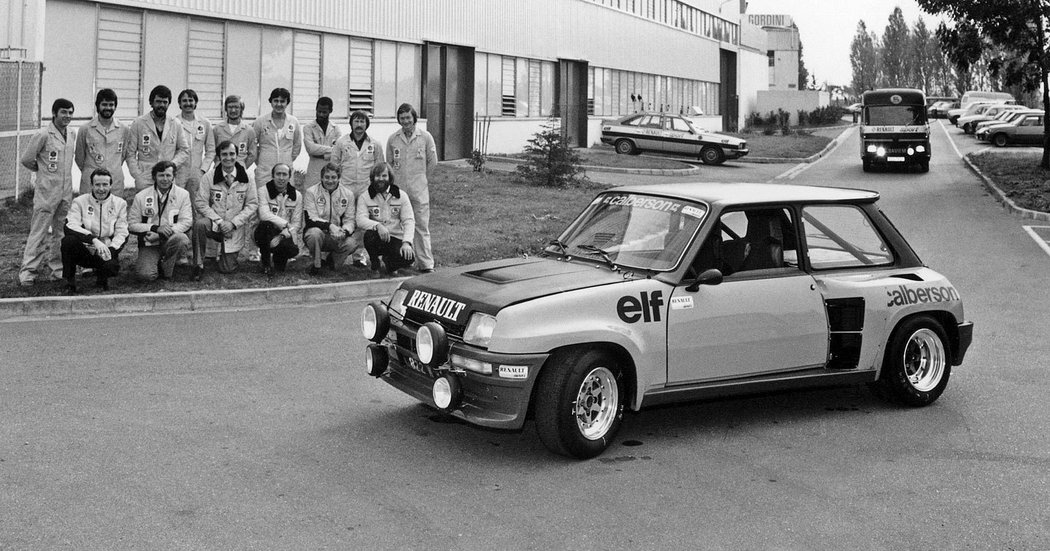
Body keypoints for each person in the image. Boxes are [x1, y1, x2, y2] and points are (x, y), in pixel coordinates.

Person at [18, 98, 77, 287]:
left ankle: (58, 269)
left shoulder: (72, 134)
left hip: (65, 191)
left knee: (61, 233)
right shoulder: (43, 134)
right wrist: (42, 170)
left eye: (70, 112)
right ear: (54, 113)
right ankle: (28, 272)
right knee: (39, 232)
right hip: (46, 192)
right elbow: (27, 159)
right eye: (63, 112)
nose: (67, 116)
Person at [192, 140, 258, 280]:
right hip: (215, 222)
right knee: (199, 225)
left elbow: (252, 204)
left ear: (237, 155)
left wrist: (233, 223)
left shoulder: (247, 177)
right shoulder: (209, 176)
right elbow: (200, 202)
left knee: (227, 269)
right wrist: (220, 221)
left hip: (234, 226)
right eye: (224, 154)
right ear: (218, 156)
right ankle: (198, 264)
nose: (228, 158)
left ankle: (224, 256)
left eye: (232, 154)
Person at [386, 103, 437, 273]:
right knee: (399, 225)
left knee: (421, 226)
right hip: (399, 191)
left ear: (414, 118)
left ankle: (426, 263)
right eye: (402, 118)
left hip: (419, 190)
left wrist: (423, 180)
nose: (406, 121)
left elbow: (432, 162)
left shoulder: (425, 137)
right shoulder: (393, 139)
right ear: (398, 120)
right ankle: (403, 260)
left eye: (408, 117)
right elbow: (390, 164)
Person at [60, 168, 128, 293]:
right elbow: (70, 225)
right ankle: (69, 281)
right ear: (91, 185)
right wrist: (93, 239)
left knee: (111, 268)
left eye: (105, 184)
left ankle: (102, 277)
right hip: (86, 248)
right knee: (68, 241)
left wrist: (112, 250)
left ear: (110, 185)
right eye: (97, 185)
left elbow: (122, 231)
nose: (101, 189)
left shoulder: (120, 204)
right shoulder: (79, 201)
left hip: (106, 249)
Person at [332, 109, 385, 267]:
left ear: (367, 124)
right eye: (356, 121)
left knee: (362, 222)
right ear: (351, 124)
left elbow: (379, 168)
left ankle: (358, 256)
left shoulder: (375, 144)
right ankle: (334, 255)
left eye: (362, 121)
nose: (359, 125)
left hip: (365, 189)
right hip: (345, 188)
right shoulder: (342, 143)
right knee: (341, 220)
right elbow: (334, 165)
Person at [126, 160, 193, 281]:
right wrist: (155, 228)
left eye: (168, 175)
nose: (165, 179)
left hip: (170, 240)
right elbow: (131, 225)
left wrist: (160, 234)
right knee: (146, 276)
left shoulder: (183, 194)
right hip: (149, 243)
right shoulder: (141, 196)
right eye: (161, 175)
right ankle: (154, 263)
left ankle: (167, 267)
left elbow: (186, 222)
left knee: (181, 238)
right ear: (154, 177)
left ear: (173, 177)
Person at [126, 85, 190, 195]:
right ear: (151, 103)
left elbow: (184, 150)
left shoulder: (175, 123)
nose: (161, 105)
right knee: (146, 209)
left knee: (167, 209)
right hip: (145, 176)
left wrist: (172, 165)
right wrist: (137, 175)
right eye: (158, 101)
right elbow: (130, 153)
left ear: (169, 104)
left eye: (165, 102)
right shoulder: (138, 123)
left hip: (167, 177)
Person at [355, 162, 415, 276]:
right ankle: (375, 265)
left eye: (384, 176)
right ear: (373, 178)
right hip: (377, 237)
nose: (380, 179)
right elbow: (360, 219)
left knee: (409, 258)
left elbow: (409, 221)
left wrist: (406, 242)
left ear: (389, 177)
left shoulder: (401, 195)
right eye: (377, 176)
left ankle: (390, 264)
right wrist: (378, 226)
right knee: (369, 236)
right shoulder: (365, 196)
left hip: (395, 237)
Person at [303, 163, 360, 276]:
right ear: (321, 177)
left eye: (333, 177)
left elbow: (350, 219)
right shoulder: (311, 192)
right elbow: (311, 218)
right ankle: (317, 265)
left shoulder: (348, 194)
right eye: (327, 177)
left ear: (339, 178)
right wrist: (330, 226)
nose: (330, 181)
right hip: (318, 234)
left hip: (337, 235)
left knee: (351, 243)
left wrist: (344, 231)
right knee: (314, 234)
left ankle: (331, 264)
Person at [74, 88, 129, 197]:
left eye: (111, 105)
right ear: (97, 106)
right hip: (90, 181)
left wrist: (111, 166)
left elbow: (123, 155)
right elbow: (79, 157)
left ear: (115, 106)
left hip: (114, 181)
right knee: (89, 211)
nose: (108, 108)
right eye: (104, 104)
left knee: (114, 211)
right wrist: (91, 170)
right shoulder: (85, 129)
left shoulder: (124, 129)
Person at [255, 163, 303, 276]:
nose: (281, 178)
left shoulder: (297, 195)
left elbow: (296, 223)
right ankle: (266, 263)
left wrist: (282, 235)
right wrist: (286, 224)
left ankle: (278, 259)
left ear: (289, 177)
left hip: (284, 233)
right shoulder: (263, 191)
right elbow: (264, 214)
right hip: (265, 231)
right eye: (278, 174)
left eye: (284, 174)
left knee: (291, 253)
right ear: (273, 176)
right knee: (265, 225)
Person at [252, 87, 302, 187]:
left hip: (285, 171)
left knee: (286, 199)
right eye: (276, 101)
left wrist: (287, 158)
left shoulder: (293, 121)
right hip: (265, 171)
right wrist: (261, 161)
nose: (279, 104)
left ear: (287, 102)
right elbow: (252, 145)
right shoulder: (260, 121)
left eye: (282, 101)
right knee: (263, 198)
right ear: (271, 102)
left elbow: (297, 145)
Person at [174, 89, 215, 197]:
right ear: (179, 104)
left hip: (197, 172)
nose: (188, 103)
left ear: (195, 102)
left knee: (196, 204)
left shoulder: (205, 123)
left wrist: (203, 169)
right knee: (176, 201)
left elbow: (211, 150)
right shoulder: (173, 123)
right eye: (184, 101)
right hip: (178, 172)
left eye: (190, 100)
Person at [302, 96, 341, 189]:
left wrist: (320, 153)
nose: (321, 114)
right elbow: (311, 149)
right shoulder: (308, 128)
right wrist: (332, 150)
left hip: (331, 170)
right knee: (312, 197)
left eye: (324, 112)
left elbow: (339, 150)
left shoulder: (335, 128)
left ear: (330, 111)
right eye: (318, 111)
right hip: (314, 170)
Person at [212, 94, 257, 171]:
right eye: (230, 107)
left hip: (240, 171)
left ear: (241, 109)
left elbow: (252, 154)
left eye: (236, 107)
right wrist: (218, 164)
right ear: (226, 109)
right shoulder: (217, 129)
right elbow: (212, 151)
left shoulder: (249, 130)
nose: (233, 110)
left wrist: (242, 167)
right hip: (220, 170)